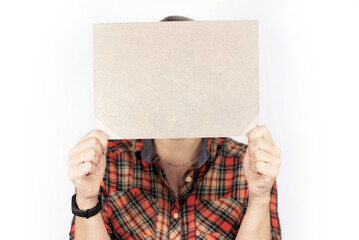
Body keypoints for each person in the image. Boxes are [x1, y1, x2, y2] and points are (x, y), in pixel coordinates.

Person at [68, 15, 282, 240]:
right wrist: (87, 199)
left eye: (190, 72)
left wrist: (259, 197)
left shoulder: (247, 165)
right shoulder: (105, 163)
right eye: (165, 73)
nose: (177, 85)